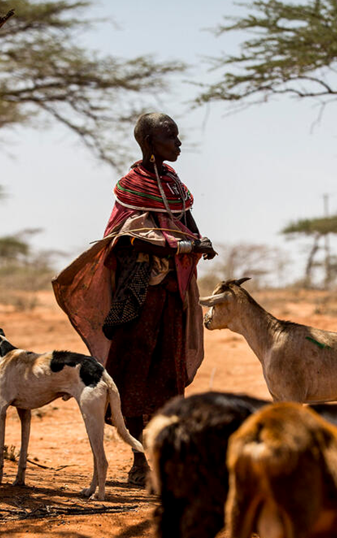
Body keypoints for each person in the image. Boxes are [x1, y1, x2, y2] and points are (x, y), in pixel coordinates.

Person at [53, 112, 216, 484]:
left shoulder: (174, 185)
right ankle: (139, 460)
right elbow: (122, 237)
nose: (178, 145)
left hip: (173, 297)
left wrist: (197, 244)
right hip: (139, 299)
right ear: (149, 144)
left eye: (176, 137)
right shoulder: (132, 185)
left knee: (168, 376)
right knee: (135, 375)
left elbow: (187, 226)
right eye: (169, 138)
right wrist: (180, 245)